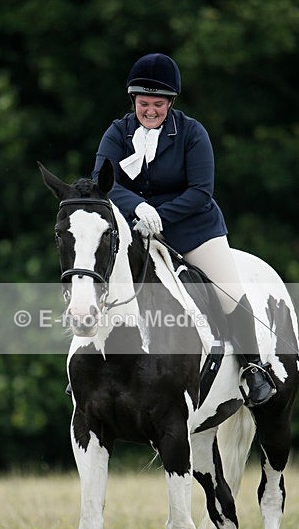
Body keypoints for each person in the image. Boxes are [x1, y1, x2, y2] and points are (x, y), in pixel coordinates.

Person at [92, 52, 275, 406]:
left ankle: (252, 368)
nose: (150, 111)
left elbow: (201, 192)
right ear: (133, 101)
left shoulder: (192, 133)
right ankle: (89, 367)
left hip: (194, 230)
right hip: (135, 231)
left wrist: (160, 215)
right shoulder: (117, 132)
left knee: (227, 293)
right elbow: (104, 184)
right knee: (100, 284)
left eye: (158, 104)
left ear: (170, 102)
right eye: (144, 103)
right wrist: (138, 208)